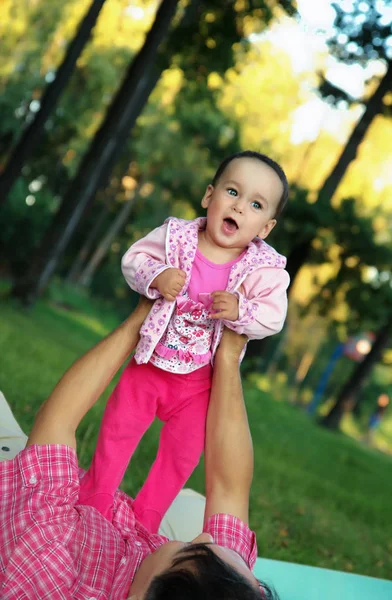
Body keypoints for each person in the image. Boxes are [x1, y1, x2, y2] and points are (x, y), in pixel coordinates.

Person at [0, 298, 278, 599]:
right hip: (117, 525)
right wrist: (228, 357)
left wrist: (143, 319)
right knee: (195, 512)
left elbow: (56, 422)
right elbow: (230, 488)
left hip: (17, 484)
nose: (204, 535)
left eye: (189, 548)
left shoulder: (48, 562)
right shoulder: (221, 584)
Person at [79, 150, 290, 532]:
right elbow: (134, 258)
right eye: (232, 192)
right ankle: (96, 497)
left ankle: (146, 518)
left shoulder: (264, 270)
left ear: (265, 228)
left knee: (181, 456)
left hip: (199, 385)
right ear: (210, 197)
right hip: (150, 363)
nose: (239, 207)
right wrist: (157, 274)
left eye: (255, 204)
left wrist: (241, 308)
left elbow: (273, 316)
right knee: (118, 429)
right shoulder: (176, 236)